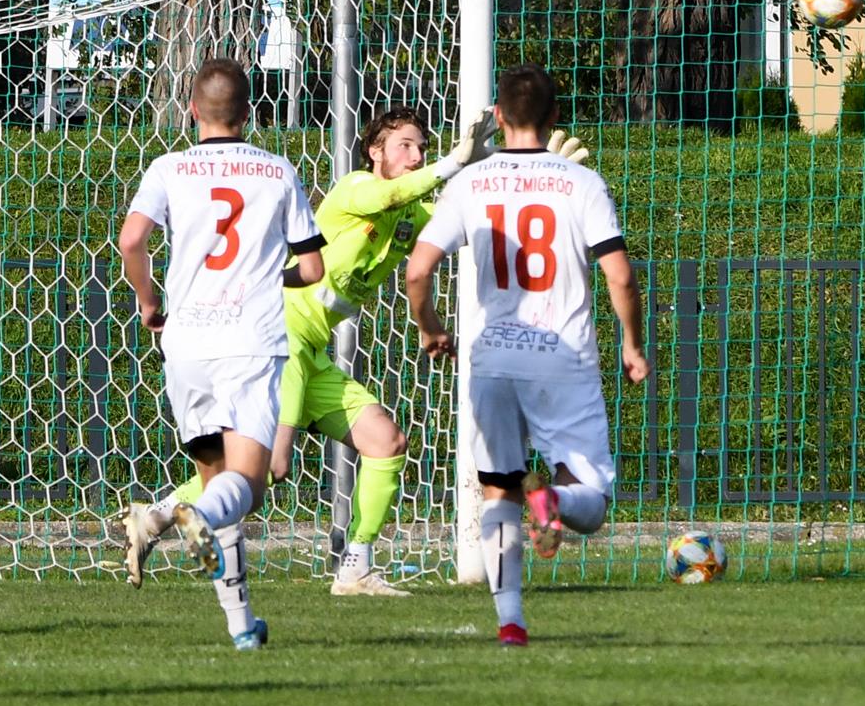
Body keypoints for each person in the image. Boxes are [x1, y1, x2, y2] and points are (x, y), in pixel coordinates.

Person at [124, 107, 588, 594]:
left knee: (386, 442)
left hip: (311, 352)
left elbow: (478, 225)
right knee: (271, 467)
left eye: (422, 148)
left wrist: (538, 179)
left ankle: (355, 568)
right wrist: (453, 162)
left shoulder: (410, 216)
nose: (415, 156)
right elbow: (389, 194)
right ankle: (158, 516)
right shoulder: (356, 189)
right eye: (404, 145)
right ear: (375, 151)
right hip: (281, 340)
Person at [404, 64, 648, 647]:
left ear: (499, 117)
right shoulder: (581, 183)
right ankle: (553, 499)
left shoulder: (470, 183)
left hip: (492, 360)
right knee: (590, 501)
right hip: (561, 359)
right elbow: (619, 276)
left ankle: (510, 622)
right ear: (555, 115)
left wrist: (430, 327)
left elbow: (417, 271)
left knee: (498, 488)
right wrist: (632, 343)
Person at [116, 58, 324, 650]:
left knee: (217, 491)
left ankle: (242, 629)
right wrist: (270, 275)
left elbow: (132, 240)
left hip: (187, 345)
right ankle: (163, 516)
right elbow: (312, 268)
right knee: (246, 489)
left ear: (191, 110)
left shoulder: (168, 167)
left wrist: (148, 301)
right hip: (249, 345)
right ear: (248, 112)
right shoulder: (277, 170)